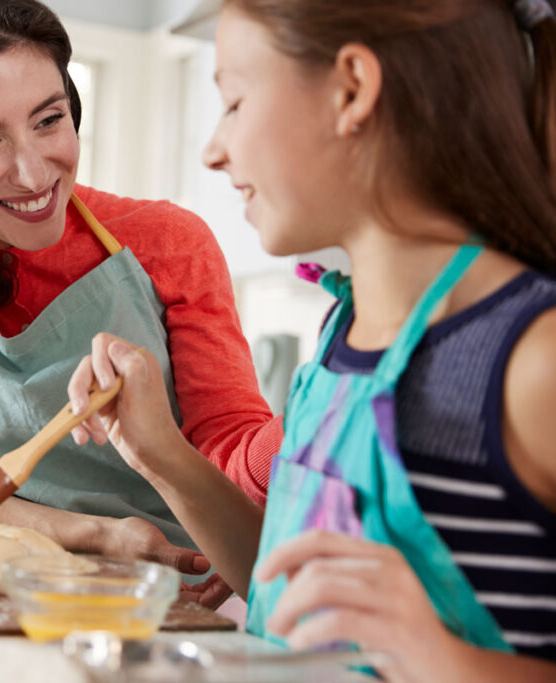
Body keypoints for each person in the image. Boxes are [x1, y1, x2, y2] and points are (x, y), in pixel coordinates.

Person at [68, 0, 556, 679]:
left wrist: (435, 654)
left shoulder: (534, 357)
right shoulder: (339, 337)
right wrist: (162, 456)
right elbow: (287, 585)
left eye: (234, 102)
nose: (213, 149)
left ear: (352, 89)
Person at [0, 0, 281, 590]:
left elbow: (231, 458)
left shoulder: (168, 242)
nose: (35, 175)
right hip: (3, 588)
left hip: (178, 593)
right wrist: (100, 535)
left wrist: (307, 431)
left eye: (49, 120)